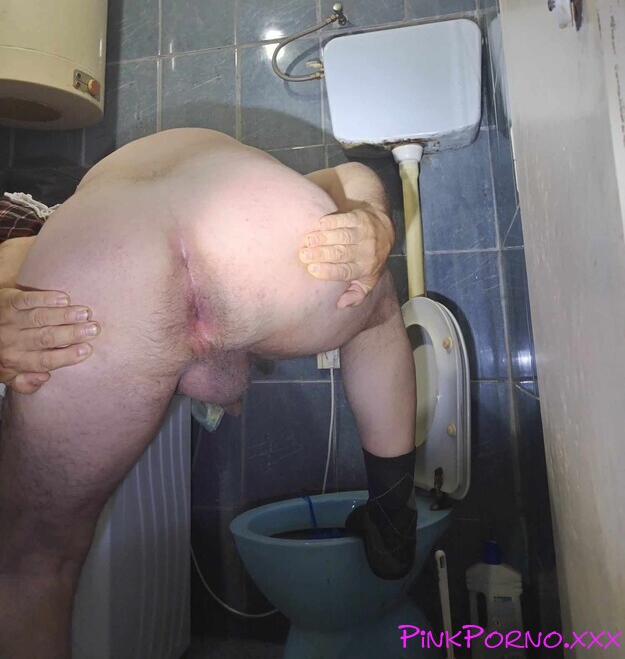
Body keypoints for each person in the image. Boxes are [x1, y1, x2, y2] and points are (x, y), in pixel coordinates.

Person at [0, 128, 416, 659]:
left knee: (35, 562)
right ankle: (390, 514)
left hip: (91, 285)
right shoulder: (221, 165)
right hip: (260, 241)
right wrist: (374, 219)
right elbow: (353, 174)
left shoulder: (66, 215)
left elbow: (19, 249)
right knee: (378, 307)